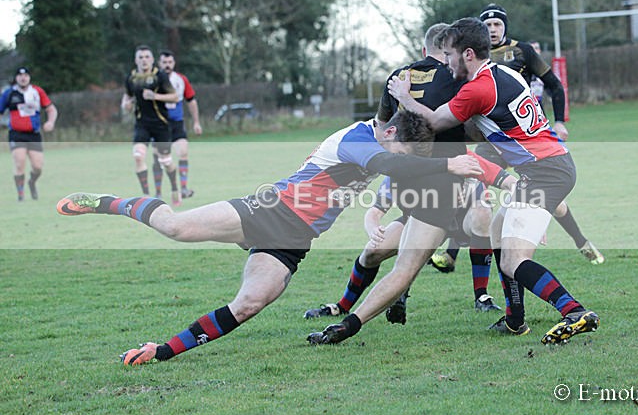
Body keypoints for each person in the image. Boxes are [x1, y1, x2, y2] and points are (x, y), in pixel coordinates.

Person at [56, 110, 482, 365]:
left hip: (294, 240)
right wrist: (448, 168)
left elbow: (407, 149)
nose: (397, 161)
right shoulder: (359, 138)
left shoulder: (390, 140)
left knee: (249, 305)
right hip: (270, 208)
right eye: (400, 152)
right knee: (176, 227)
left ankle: (161, 351)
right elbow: (397, 166)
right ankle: (108, 202)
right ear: (389, 134)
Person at [309, 17, 598, 346]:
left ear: (469, 54)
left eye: (449, 55)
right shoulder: (506, 74)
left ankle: (573, 310)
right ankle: (515, 321)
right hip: (550, 166)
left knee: (514, 259)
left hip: (545, 171)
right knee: (499, 236)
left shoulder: (477, 88)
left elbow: (432, 120)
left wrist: (404, 96)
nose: (445, 62)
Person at [304, 24, 506, 319]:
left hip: (438, 185)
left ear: (425, 50)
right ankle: (350, 307)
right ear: (448, 50)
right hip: (431, 186)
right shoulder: (462, 79)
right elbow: (477, 129)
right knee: (381, 252)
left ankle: (478, 296)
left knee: (417, 255)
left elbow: (381, 131)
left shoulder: (399, 79)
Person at [429, 4, 605, 267]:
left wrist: (558, 121)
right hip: (493, 138)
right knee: (476, 187)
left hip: (525, 137)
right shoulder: (473, 63)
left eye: (497, 24)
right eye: (487, 25)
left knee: (547, 200)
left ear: (505, 26)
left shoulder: (523, 51)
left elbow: (554, 85)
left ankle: (578, 239)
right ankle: (452, 253)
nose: (492, 29)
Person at [120, 45, 182, 204]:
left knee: (166, 162)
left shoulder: (159, 76)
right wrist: (126, 105)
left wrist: (155, 96)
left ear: (152, 59)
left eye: (147, 57)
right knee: (138, 156)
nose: (144, 60)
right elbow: (127, 98)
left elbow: (174, 97)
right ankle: (147, 196)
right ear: (136, 60)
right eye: (140, 57)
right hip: (142, 124)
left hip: (161, 124)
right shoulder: (131, 78)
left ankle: (175, 188)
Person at [0, 67, 58, 201]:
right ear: (16, 78)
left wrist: (50, 122)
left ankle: (32, 182)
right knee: (19, 163)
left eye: (26, 75)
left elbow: (51, 109)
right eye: (20, 76)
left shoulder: (37, 92)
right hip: (16, 134)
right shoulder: (9, 94)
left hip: (34, 134)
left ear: (29, 77)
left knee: (37, 167)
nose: (23, 78)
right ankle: (20, 195)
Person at [153, 50, 202, 200]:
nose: (167, 65)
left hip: (177, 124)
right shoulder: (153, 80)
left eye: (170, 62)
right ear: (159, 63)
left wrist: (196, 122)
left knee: (183, 153)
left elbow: (191, 100)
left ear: (173, 63)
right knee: (158, 159)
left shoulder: (181, 79)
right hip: (159, 124)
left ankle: (184, 188)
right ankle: (158, 193)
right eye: (164, 62)